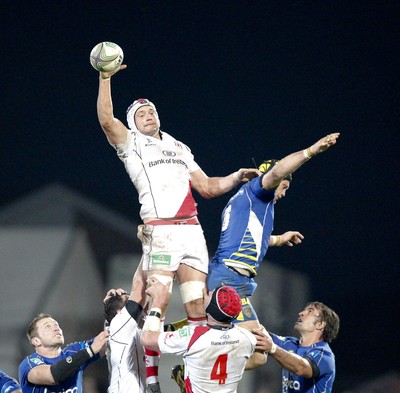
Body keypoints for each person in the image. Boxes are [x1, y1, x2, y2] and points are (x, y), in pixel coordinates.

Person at [96, 65, 259, 389]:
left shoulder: (179, 147)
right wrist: (105, 77)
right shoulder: (131, 145)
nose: (147, 115)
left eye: (151, 111)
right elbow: (105, 120)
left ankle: (196, 383)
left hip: (192, 232)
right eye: (140, 114)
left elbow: (209, 187)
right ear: (132, 124)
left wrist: (236, 177)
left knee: (197, 307)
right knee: (157, 301)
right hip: (162, 232)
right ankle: (153, 383)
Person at [206, 132, 340, 370]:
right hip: (230, 281)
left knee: (250, 349)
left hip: (227, 276)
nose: (283, 193)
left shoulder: (243, 201)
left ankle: (196, 361)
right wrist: (312, 150)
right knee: (258, 354)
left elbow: (249, 240)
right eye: (284, 187)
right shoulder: (259, 192)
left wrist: (278, 239)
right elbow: (277, 172)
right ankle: (196, 366)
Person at [140, 276, 267, 393]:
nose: (206, 293)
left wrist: (159, 303)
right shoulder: (247, 338)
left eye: (209, 295)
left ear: (211, 307)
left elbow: (146, 339)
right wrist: (270, 345)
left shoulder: (192, 336)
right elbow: (261, 358)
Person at [18, 313, 109, 393]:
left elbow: (105, 343)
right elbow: (53, 376)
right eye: (47, 326)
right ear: (36, 341)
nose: (56, 328)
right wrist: (89, 351)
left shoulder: (73, 351)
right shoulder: (29, 364)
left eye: (56, 325)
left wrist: (111, 312)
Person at [261, 301, 340, 393]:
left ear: (320, 324)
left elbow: (301, 368)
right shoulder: (289, 343)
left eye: (310, 311)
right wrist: (244, 300)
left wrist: (273, 349)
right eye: (304, 310)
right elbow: (259, 332)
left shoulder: (324, 355)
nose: (301, 313)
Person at [103, 261, 150, 393]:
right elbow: (140, 287)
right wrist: (147, 250)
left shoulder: (123, 329)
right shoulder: (119, 325)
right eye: (128, 302)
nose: (134, 305)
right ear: (120, 313)